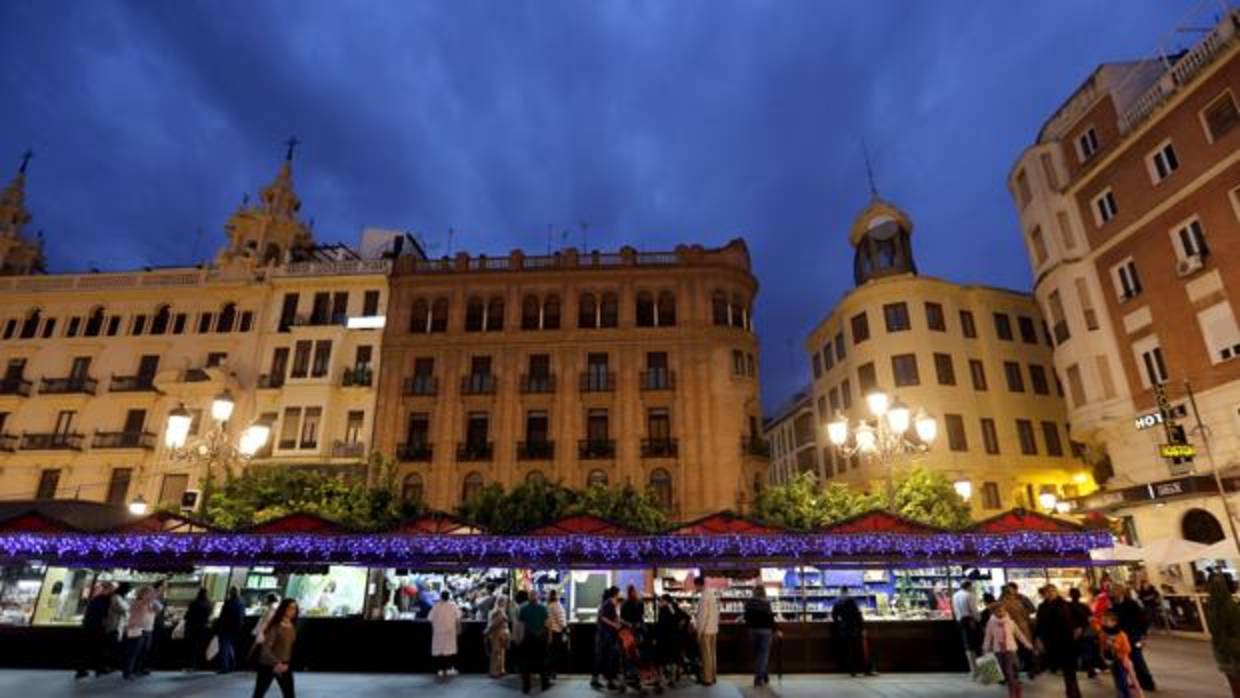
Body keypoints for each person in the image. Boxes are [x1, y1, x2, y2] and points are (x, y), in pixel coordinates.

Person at [1035, 584, 1085, 698]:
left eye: (1053, 591)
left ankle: (1073, 693)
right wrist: (1038, 639)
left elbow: (1081, 618)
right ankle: (1072, 692)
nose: (1050, 593)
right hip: (1052, 642)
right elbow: (1039, 625)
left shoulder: (1066, 604)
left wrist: (1079, 629)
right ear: (1044, 594)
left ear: (1056, 592)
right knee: (1063, 668)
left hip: (1067, 641)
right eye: (1048, 592)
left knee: (1069, 669)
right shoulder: (1042, 607)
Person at [1111, 585, 1156, 692]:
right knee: (1126, 660)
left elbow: (1141, 618)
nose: (1112, 592)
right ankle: (1134, 682)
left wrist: (1143, 635)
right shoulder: (1115, 605)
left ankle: (1148, 683)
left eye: (1114, 590)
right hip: (1122, 636)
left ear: (1120, 592)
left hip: (1133, 635)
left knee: (1137, 659)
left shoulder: (1131, 604)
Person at [984, 602, 1033, 698]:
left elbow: (1019, 635)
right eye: (997, 611)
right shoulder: (990, 623)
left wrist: (1027, 644)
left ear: (1005, 610)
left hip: (1010, 650)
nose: (1000, 612)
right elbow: (988, 637)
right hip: (998, 651)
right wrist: (985, 648)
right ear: (993, 612)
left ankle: (1014, 692)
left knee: (1010, 672)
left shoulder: (1010, 622)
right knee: (1003, 673)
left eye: (1001, 610)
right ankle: (1016, 688)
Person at [252, 598, 298, 698]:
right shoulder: (275, 626)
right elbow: (265, 649)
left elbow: (290, 647)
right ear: (283, 609)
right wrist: (277, 663)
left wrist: (286, 663)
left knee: (289, 694)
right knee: (259, 693)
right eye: (290, 608)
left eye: (294, 608)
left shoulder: (292, 626)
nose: (292, 611)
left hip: (284, 664)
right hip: (268, 665)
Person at [1206, 572, 1240, 697]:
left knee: (1235, 687)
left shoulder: (1212, 606)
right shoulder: (1230, 606)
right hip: (1235, 654)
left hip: (1224, 655)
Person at [1100, 610, 1145, 698]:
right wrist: (1103, 655)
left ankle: (1138, 695)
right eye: (1103, 620)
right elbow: (1102, 647)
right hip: (1112, 660)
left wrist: (1114, 645)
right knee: (1118, 680)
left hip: (1123, 660)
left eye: (1106, 621)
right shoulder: (1103, 633)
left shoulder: (1121, 634)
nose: (1104, 623)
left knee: (1130, 680)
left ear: (1114, 622)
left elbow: (1127, 649)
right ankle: (1122, 695)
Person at [832, 586, 874, 677]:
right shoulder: (851, 600)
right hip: (854, 628)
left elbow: (834, 616)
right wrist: (862, 628)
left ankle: (852, 670)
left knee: (848, 650)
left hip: (844, 629)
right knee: (858, 650)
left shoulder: (837, 601)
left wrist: (840, 624)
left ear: (841, 591)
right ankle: (866, 670)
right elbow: (857, 614)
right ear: (848, 591)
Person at [76, 581, 114, 679]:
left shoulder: (95, 599)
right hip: (98, 627)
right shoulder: (106, 599)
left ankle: (82, 670)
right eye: (111, 589)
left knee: (87, 649)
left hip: (89, 626)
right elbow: (105, 614)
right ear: (108, 589)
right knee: (99, 649)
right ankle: (98, 669)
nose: (112, 591)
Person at [1001, 585, 1038, 679]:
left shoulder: (1004, 603)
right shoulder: (1017, 602)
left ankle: (1016, 673)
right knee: (1024, 650)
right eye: (1010, 592)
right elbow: (1030, 612)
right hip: (1020, 629)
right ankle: (1028, 670)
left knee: (1015, 652)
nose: (1013, 593)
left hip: (1013, 630)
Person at [122, 585, 158, 680]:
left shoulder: (151, 603)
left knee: (143, 652)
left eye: (152, 593)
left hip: (148, 629)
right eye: (149, 593)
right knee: (133, 652)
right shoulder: (136, 602)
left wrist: (153, 601)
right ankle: (128, 672)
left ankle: (137, 670)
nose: (151, 595)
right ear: (143, 594)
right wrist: (149, 601)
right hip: (136, 629)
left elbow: (159, 608)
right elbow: (137, 607)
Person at [518, 590, 551, 694]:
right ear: (538, 596)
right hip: (540, 637)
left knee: (526, 663)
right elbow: (548, 623)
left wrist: (520, 638)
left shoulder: (523, 608)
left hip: (528, 637)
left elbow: (521, 625)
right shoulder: (543, 608)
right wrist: (550, 636)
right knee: (542, 662)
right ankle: (544, 684)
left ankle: (526, 686)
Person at [743, 585, 776, 687]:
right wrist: (775, 630)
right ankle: (758, 677)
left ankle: (764, 674)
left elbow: (746, 617)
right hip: (765, 630)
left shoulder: (749, 603)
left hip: (753, 630)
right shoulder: (766, 603)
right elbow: (770, 619)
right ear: (763, 592)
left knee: (758, 654)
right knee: (764, 654)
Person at [591, 587, 622, 690]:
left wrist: (621, 622)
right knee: (605, 658)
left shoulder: (610, 604)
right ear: (615, 594)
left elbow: (613, 617)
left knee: (608, 658)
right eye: (619, 593)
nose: (620, 595)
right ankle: (601, 680)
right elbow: (603, 617)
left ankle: (607, 681)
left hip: (607, 635)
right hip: (605, 635)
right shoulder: (608, 604)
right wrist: (615, 625)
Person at [1068, 588, 1103, 679]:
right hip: (1086, 631)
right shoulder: (1084, 606)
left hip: (1075, 632)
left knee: (1077, 651)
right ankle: (1090, 669)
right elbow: (1090, 618)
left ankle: (1081, 667)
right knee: (1087, 650)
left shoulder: (1068, 606)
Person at [429, 590, 462, 680]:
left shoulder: (436, 606)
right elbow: (458, 618)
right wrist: (459, 628)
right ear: (448, 596)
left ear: (441, 597)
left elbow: (430, 618)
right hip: (449, 632)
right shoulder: (453, 605)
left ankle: (440, 670)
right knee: (448, 651)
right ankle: (448, 669)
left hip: (438, 632)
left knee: (440, 651)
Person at [693, 575, 719, 686]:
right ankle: (713, 676)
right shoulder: (711, 594)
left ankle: (707, 678)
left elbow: (702, 616)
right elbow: (716, 613)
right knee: (713, 654)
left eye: (696, 586)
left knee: (706, 656)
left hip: (705, 630)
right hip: (713, 629)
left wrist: (699, 632)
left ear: (699, 585)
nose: (695, 588)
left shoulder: (703, 597)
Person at [654, 594, 684, 686]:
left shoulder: (663, 610)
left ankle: (661, 679)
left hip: (665, 638)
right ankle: (672, 679)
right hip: (675, 637)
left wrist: (655, 637)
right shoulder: (675, 607)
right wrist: (680, 625)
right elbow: (684, 617)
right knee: (673, 658)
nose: (660, 602)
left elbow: (661, 625)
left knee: (662, 659)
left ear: (665, 601)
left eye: (661, 601)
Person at [952, 580, 982, 671]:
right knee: (976, 645)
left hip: (960, 621)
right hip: (970, 621)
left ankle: (973, 669)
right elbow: (974, 610)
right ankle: (979, 669)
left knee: (968, 646)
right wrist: (979, 620)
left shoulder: (955, 595)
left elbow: (955, 610)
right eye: (972, 586)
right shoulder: (970, 595)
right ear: (968, 586)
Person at [215, 586, 245, 674]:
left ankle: (224, 667)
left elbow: (222, 616)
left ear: (231, 592)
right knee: (229, 646)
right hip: (235, 628)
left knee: (224, 647)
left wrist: (218, 626)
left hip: (225, 627)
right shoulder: (241, 602)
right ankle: (232, 664)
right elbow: (242, 616)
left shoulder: (228, 602)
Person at [183, 588, 213, 672]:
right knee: (199, 648)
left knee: (190, 648)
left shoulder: (193, 603)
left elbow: (187, 616)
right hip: (202, 628)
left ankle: (189, 665)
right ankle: (197, 666)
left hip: (191, 628)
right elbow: (209, 616)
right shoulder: (209, 604)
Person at [105, 582, 132, 672]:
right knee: (112, 647)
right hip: (114, 626)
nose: (128, 592)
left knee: (115, 647)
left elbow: (126, 609)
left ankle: (112, 665)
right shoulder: (115, 597)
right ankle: (109, 666)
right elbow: (123, 609)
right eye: (128, 590)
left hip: (118, 626)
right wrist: (128, 607)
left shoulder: (120, 598)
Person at [485, 596, 511, 678]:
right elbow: (495, 623)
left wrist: (487, 631)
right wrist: (488, 631)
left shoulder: (497, 611)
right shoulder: (498, 611)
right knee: (497, 653)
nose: (506, 603)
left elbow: (492, 624)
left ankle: (498, 670)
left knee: (498, 653)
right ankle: (495, 671)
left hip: (498, 634)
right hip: (498, 633)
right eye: (504, 602)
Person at [545, 589, 567, 681]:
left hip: (549, 631)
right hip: (556, 631)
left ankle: (549, 672)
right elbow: (560, 619)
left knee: (550, 652)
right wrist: (564, 628)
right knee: (555, 653)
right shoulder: (557, 605)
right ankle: (552, 672)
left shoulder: (548, 606)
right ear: (556, 596)